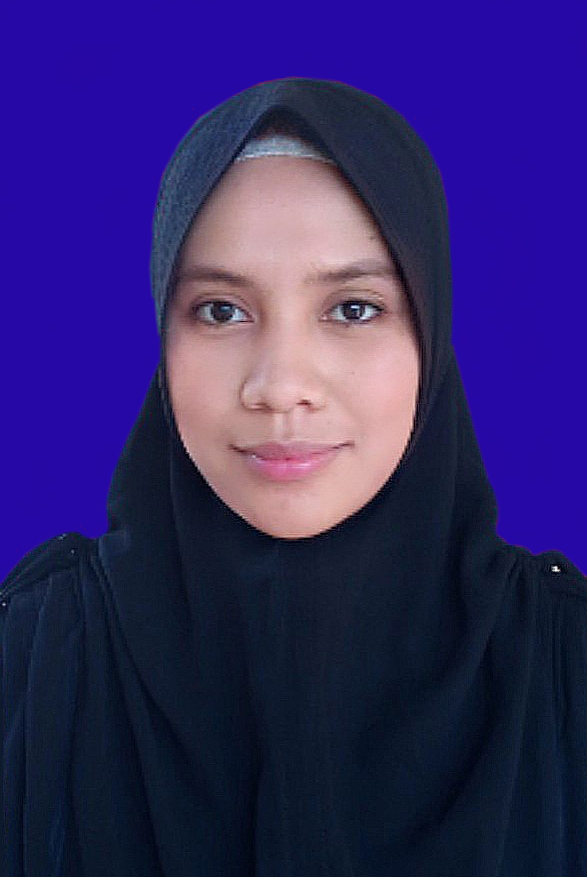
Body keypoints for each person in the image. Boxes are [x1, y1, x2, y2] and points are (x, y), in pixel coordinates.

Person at [1, 78, 585, 877]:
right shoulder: (34, 660)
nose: (279, 386)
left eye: (352, 308)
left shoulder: (564, 670)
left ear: (431, 329)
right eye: (220, 310)